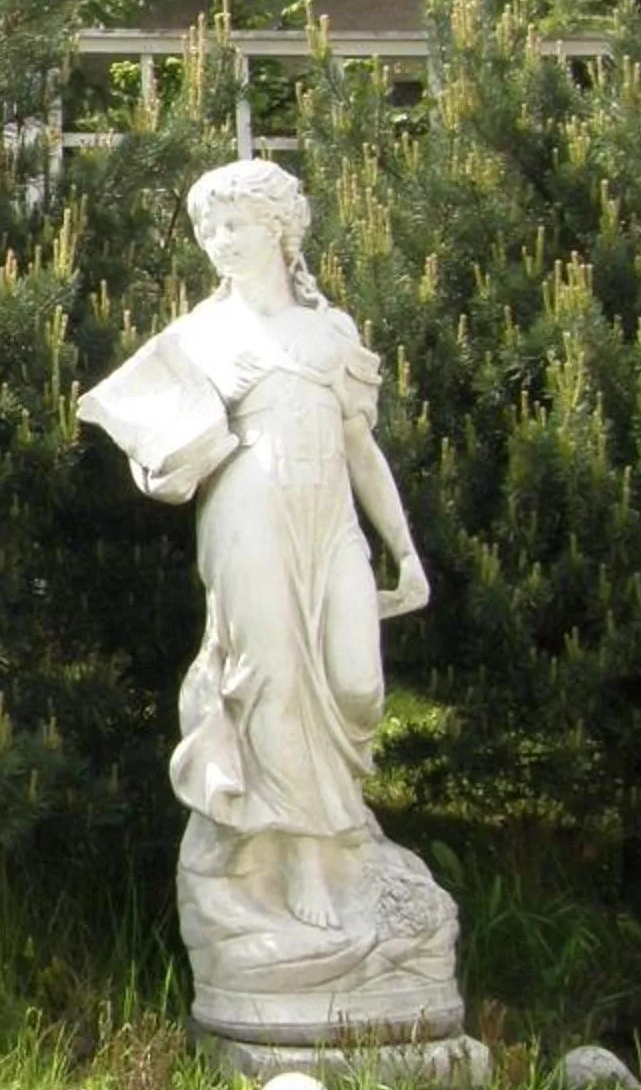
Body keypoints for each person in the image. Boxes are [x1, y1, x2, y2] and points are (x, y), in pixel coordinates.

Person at [79, 159, 428, 933]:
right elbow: (153, 458)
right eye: (207, 230)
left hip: (328, 522)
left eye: (232, 224)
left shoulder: (331, 333)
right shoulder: (199, 338)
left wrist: (403, 548)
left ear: (278, 227)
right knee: (270, 680)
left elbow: (361, 449)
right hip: (247, 522)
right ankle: (302, 856)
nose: (217, 241)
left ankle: (343, 836)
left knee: (357, 684)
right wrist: (189, 432)